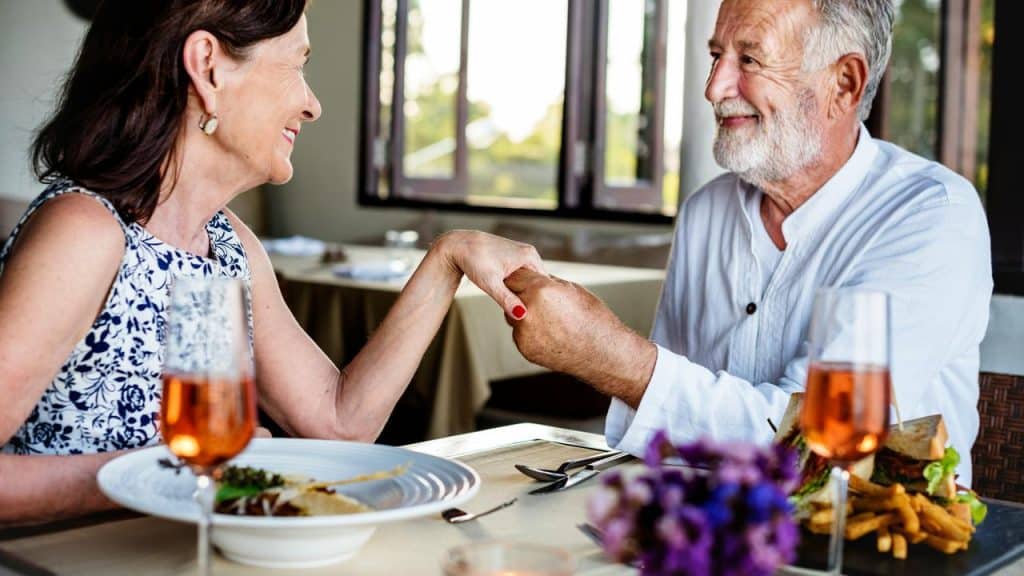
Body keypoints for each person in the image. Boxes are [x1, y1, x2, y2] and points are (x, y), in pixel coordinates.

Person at [0, 0, 543, 525]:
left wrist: (447, 259)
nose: (312, 105)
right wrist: (168, 472)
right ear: (208, 67)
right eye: (296, 65)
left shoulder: (230, 244)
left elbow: (338, 424)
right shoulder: (85, 231)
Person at [505, 0, 991, 485]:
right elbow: (666, 440)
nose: (713, 87)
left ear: (843, 84)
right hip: (715, 537)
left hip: (875, 549)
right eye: (717, 56)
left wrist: (606, 354)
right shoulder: (705, 212)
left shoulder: (932, 214)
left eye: (750, 60)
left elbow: (817, 449)